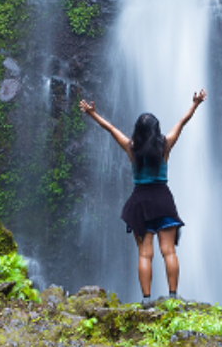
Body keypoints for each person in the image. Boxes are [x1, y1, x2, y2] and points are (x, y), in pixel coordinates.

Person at [79, 89, 206, 305]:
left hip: (139, 203)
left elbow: (110, 129)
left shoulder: (131, 148)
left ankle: (146, 300)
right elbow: (181, 122)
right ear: (156, 131)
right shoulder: (165, 145)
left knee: (145, 255)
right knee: (168, 251)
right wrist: (195, 104)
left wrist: (92, 114)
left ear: (137, 131)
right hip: (162, 200)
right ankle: (173, 297)